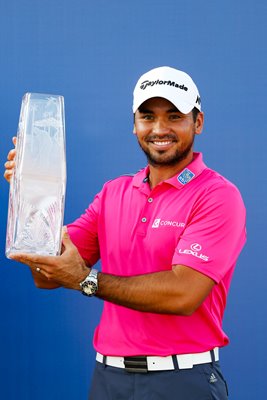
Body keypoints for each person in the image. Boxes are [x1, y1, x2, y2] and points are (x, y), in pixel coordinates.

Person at [4, 66, 246, 400]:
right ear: (134, 125)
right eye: (148, 116)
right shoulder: (113, 193)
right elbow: (48, 274)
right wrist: (32, 195)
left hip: (181, 381)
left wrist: (87, 280)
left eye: (174, 116)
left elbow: (184, 294)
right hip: (108, 379)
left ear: (198, 122)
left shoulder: (217, 195)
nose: (160, 129)